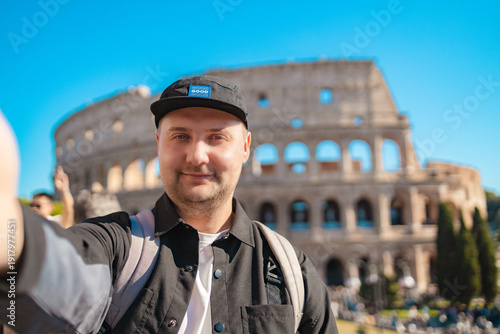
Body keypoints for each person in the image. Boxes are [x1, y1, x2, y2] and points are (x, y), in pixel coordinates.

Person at [0, 76, 338, 333]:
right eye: (180, 136)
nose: (196, 155)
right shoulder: (118, 246)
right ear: (158, 144)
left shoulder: (293, 272)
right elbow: (64, 272)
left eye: (216, 137)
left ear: (246, 147)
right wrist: (13, 239)